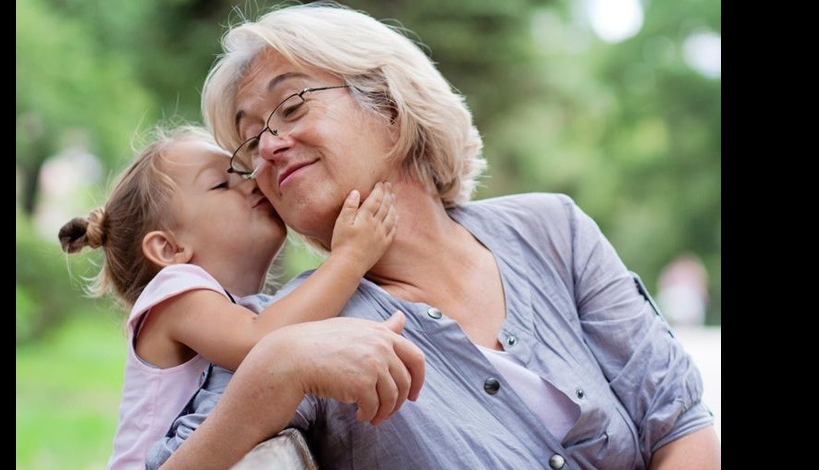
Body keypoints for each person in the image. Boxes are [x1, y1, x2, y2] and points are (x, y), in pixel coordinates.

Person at [147, 2, 722, 469]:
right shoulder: (286, 329)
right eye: (250, 142)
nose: (268, 146)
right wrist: (278, 365)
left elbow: (678, 425)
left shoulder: (552, 229)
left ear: (392, 107)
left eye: (291, 105)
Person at [58, 123, 397, 470]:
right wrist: (351, 256)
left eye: (242, 172)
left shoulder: (226, 305)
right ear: (169, 247)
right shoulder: (173, 291)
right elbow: (264, 345)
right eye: (222, 183)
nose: (251, 182)